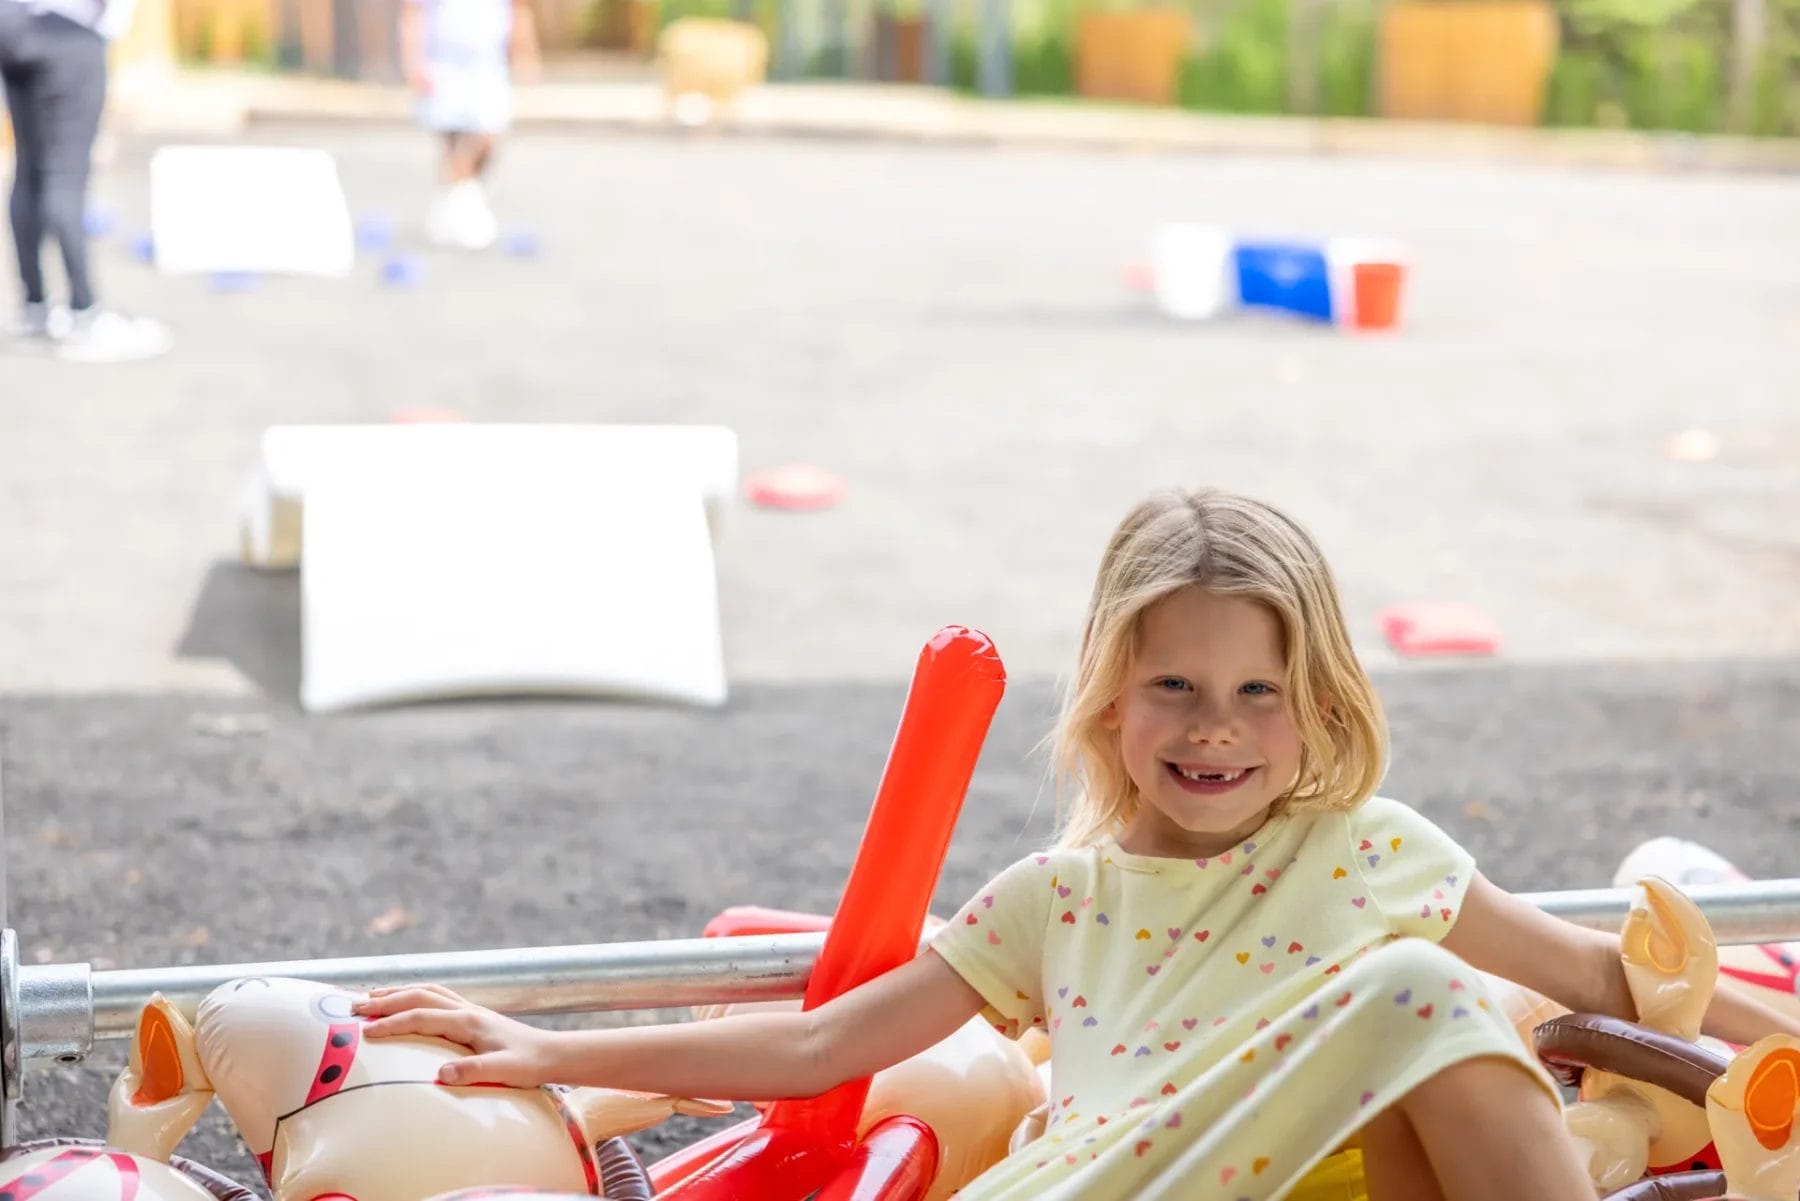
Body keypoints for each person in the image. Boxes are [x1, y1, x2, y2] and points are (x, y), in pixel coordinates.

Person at [354, 486, 1800, 1200]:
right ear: (1111, 701)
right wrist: (545, 1046)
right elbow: (818, 1048)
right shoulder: (1058, 897)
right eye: (1175, 684)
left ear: (1318, 704)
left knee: (1450, 1021)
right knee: (1419, 994)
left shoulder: (1378, 849)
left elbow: (1616, 985)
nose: (1215, 727)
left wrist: (1749, 1024)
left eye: (1257, 691)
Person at [1, 0, 171, 360]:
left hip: (12, 27)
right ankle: (84, 311)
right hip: (71, 33)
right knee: (65, 176)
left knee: (29, 171)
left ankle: (35, 306)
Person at [398, 0, 538, 251]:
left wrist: (526, 53)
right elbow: (413, 13)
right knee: (453, 141)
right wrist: (413, 63)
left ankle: (459, 200)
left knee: (488, 134)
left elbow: (519, 10)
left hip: (487, 65)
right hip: (443, 64)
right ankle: (459, 206)